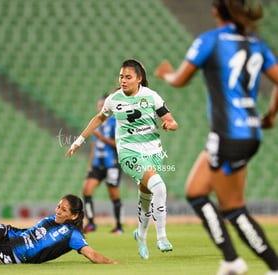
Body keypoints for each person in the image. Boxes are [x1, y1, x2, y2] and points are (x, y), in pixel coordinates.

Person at [154, 1, 278, 274]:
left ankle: (272, 265)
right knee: (196, 192)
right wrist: (270, 115)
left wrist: (166, 74)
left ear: (215, 11)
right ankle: (232, 260)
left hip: (227, 134)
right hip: (249, 132)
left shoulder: (210, 40)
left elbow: (180, 79)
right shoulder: (255, 42)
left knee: (233, 208)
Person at [66, 59, 178, 259]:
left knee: (146, 196)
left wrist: (170, 124)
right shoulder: (114, 99)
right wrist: (79, 141)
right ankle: (161, 237)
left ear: (139, 79)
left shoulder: (151, 97)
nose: (123, 81)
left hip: (153, 152)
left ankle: (141, 236)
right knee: (159, 187)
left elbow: (170, 119)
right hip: (129, 153)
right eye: (121, 77)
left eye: (128, 77)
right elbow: (99, 118)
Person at [82, 94, 124, 234]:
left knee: (114, 195)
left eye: (103, 105)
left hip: (111, 164)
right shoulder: (96, 123)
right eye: (99, 105)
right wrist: (90, 165)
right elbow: (95, 145)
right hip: (96, 165)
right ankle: (91, 223)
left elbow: (117, 144)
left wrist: (102, 137)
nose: (100, 108)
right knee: (86, 190)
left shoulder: (115, 122)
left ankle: (119, 226)